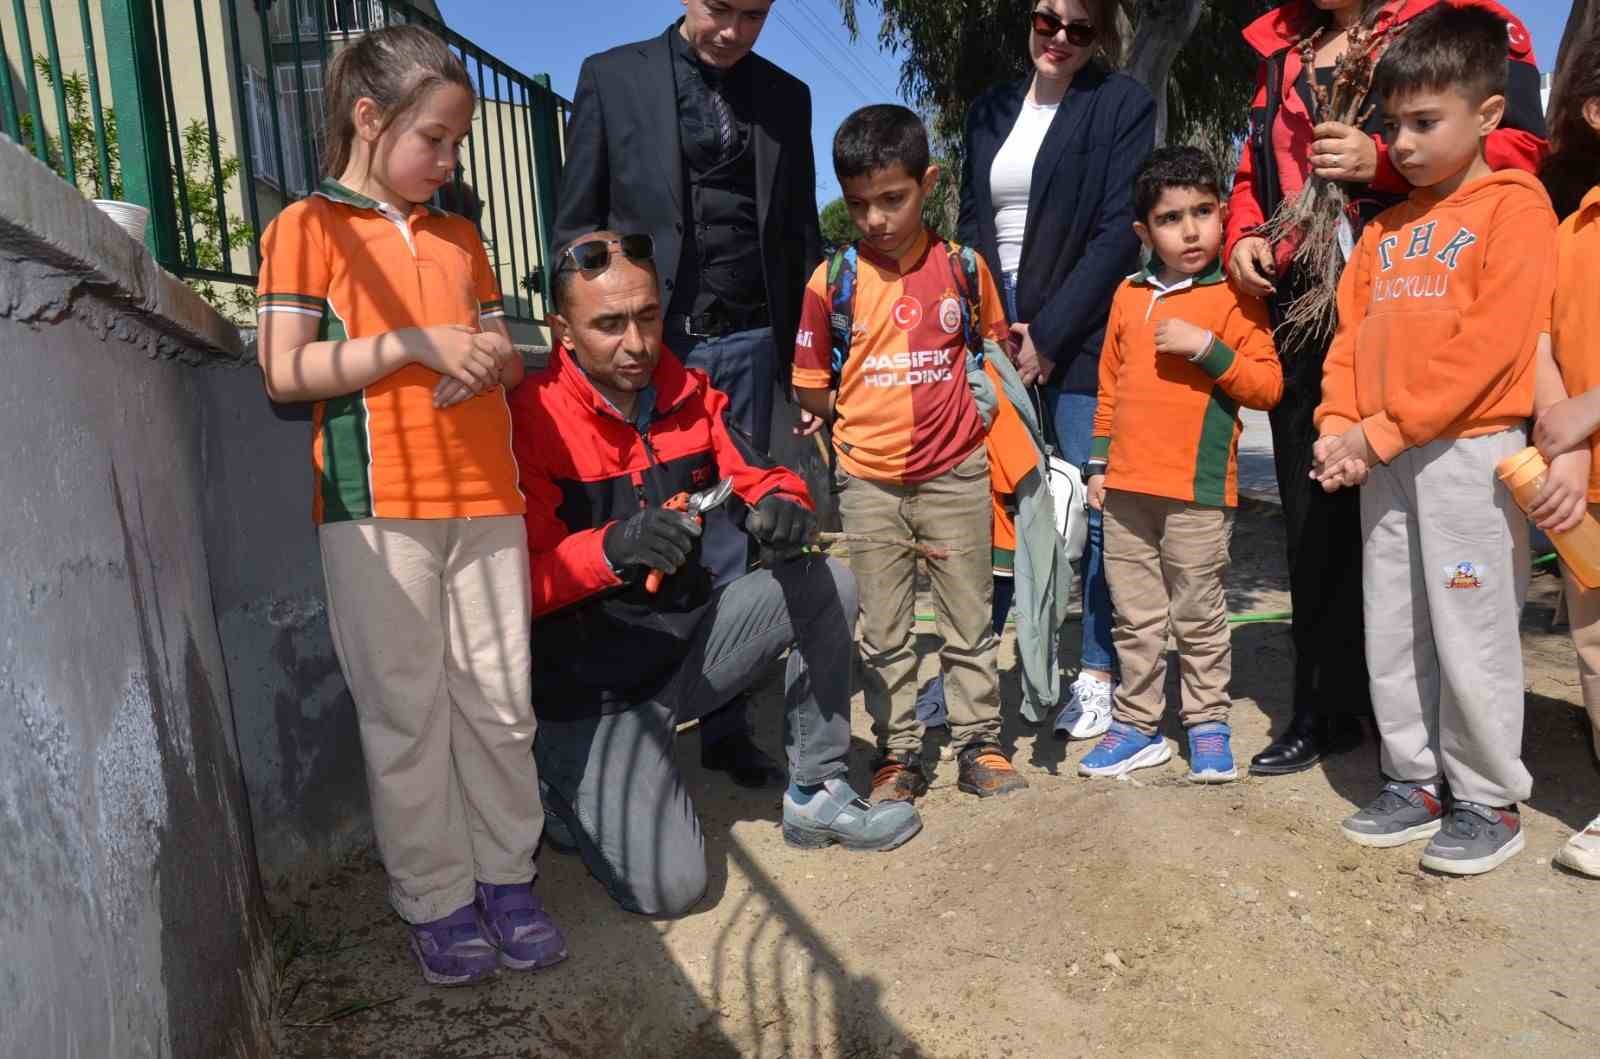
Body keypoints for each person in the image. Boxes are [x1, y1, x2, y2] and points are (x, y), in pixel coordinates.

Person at [254, 26, 564, 985]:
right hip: (375, 509)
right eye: (435, 138)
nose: (449, 158)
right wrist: (406, 346)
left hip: (486, 499)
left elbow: (501, 349)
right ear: (368, 119)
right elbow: (282, 371)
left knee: (500, 703)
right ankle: (435, 896)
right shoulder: (305, 226)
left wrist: (489, 358)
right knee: (407, 713)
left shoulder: (460, 234)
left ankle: (507, 878)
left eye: (457, 142)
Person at [512, 233, 922, 918]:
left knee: (828, 584)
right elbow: (516, 584)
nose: (637, 342)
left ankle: (816, 791)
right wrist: (612, 549)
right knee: (671, 890)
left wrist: (784, 508)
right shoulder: (532, 414)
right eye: (608, 324)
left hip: (687, 649)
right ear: (563, 331)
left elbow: (763, 476)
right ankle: (563, 777)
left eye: (646, 316)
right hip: (595, 692)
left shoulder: (687, 390)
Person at [1227, 0, 1547, 778]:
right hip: (1313, 301)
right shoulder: (1282, 44)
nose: (1408, 135)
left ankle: (1467, 765)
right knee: (1323, 516)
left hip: (1429, 296)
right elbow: (1254, 164)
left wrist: (1383, 159)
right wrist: (1244, 232)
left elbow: (1523, 145)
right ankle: (1329, 706)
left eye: (1416, 124)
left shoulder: (1469, 23)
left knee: (1451, 574)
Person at [1311, 3, 1557, 875]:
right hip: (1384, 455)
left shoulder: (1517, 210)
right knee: (1396, 618)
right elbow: (1347, 337)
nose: (1403, 144)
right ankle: (1412, 774)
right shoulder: (1381, 229)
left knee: (1471, 625)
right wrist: (1337, 424)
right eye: (1392, 126)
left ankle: (1488, 794)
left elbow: (1489, 353)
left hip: (1468, 452)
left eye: (1425, 122)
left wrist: (1377, 432)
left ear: (1488, 115)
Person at [554, 0, 823, 788]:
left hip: (753, 344)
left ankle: (730, 723)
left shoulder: (787, 96)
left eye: (754, 14)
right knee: (659, 533)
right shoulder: (610, 79)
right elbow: (575, 227)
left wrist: (810, 361)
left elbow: (801, 235)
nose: (734, 29)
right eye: (720, 9)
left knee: (751, 529)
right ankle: (634, 712)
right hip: (652, 349)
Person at [793, 104, 1028, 803]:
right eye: (858, 204)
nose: (874, 219)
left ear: (928, 182)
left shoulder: (964, 268)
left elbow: (986, 354)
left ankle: (980, 743)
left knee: (969, 617)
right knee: (886, 630)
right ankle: (897, 755)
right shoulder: (829, 283)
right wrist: (861, 414)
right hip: (868, 485)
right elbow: (809, 390)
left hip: (957, 474)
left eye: (892, 199)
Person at [958, 0, 1155, 741]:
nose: (1062, 40)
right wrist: (987, 326)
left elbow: (1116, 235)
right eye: (1049, 21)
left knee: (1093, 511)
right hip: (995, 339)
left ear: (1099, 33)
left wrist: (1046, 332)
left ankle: (1097, 673)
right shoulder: (990, 108)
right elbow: (973, 221)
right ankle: (975, 666)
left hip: (1078, 343)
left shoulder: (1119, 104)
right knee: (998, 508)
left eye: (1081, 29)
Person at [1076, 146, 1283, 782]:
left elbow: (1267, 386)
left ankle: (1207, 724)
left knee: (1198, 614)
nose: (1190, 230)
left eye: (1203, 212)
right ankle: (1137, 726)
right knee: (1134, 617)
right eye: (1170, 218)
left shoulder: (1236, 295)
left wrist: (1209, 349)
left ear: (1224, 215)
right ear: (1145, 232)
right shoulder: (1128, 295)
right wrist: (1098, 465)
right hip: (1127, 489)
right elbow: (1109, 385)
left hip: (1196, 491)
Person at [1529, 32, 1600, 879]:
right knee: (1592, 646)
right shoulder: (1570, 227)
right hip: (1585, 485)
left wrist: (1588, 411)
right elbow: (1539, 340)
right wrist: (1568, 436)